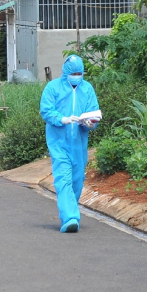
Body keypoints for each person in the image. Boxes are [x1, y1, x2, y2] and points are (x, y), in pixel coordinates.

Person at [40, 55, 100, 233]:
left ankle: (69, 211)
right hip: (59, 143)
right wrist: (62, 119)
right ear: (66, 72)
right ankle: (70, 217)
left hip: (79, 144)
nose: (77, 76)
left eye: (79, 73)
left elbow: (93, 112)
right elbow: (46, 110)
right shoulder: (53, 88)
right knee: (63, 179)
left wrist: (90, 123)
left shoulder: (87, 89)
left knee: (77, 180)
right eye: (73, 73)